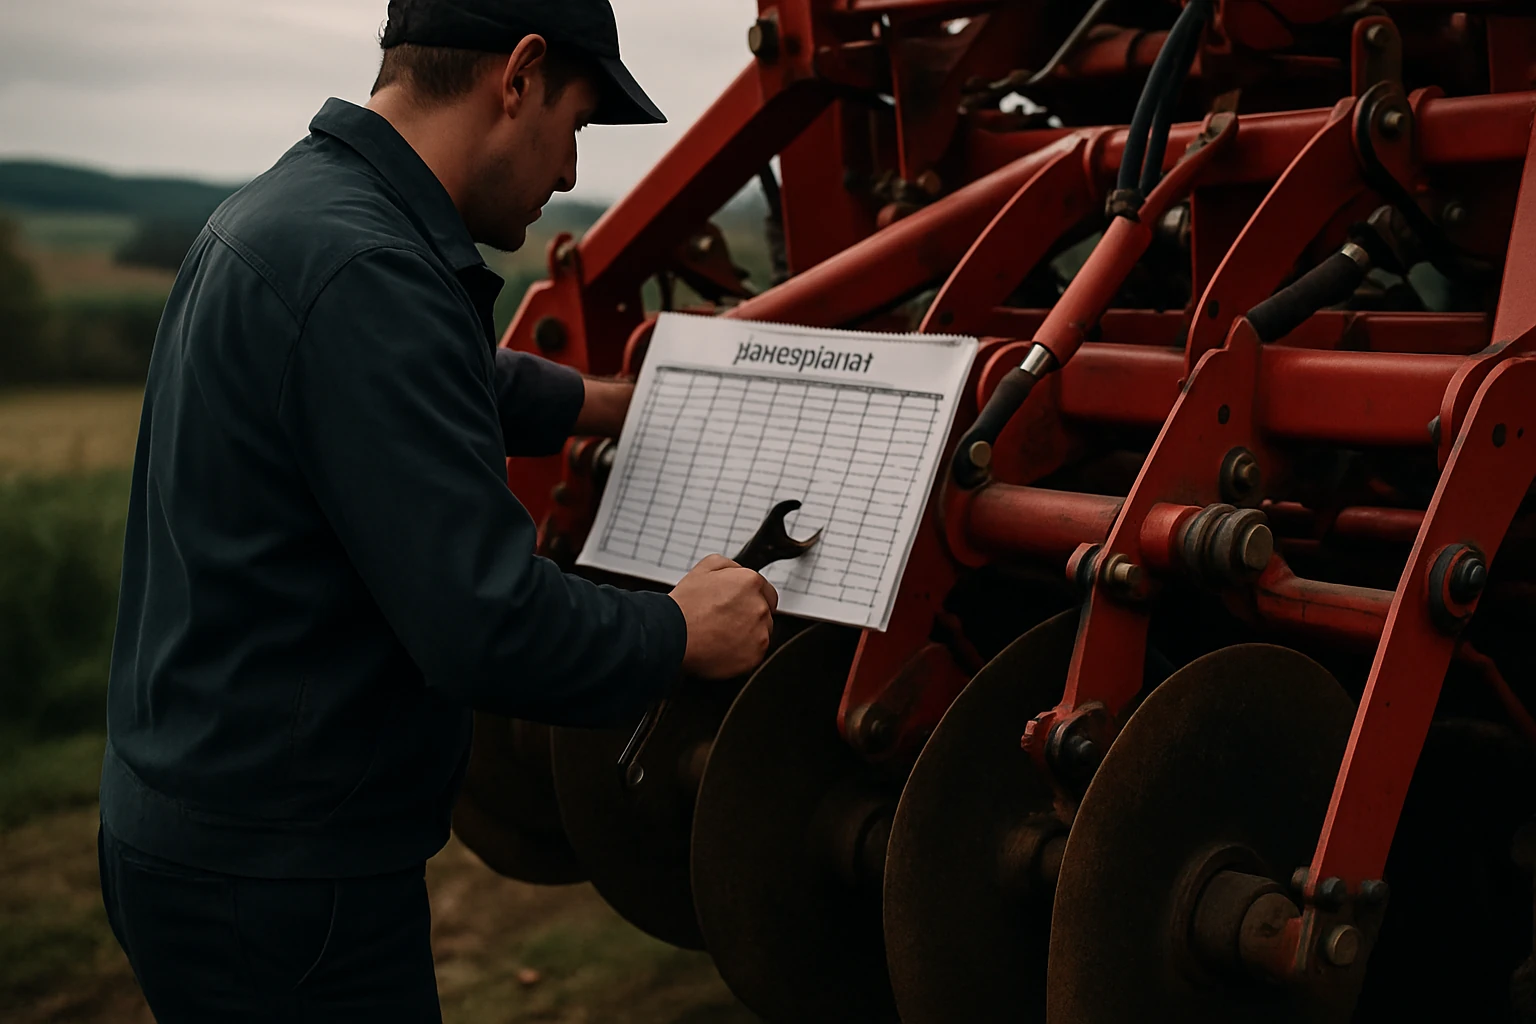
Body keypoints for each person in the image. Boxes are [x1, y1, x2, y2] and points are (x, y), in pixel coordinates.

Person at [96, 1, 777, 1019]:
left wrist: (593, 402)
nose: (569, 174)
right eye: (579, 124)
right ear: (519, 75)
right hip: (286, 884)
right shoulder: (370, 270)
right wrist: (681, 629)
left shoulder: (302, 211)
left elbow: (412, 380)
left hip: (205, 823)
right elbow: (487, 625)